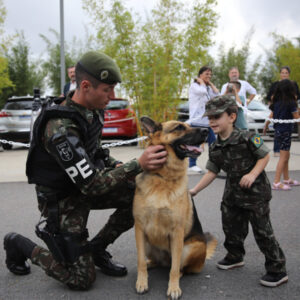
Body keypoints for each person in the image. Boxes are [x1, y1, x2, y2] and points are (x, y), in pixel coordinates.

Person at [3, 51, 167, 290]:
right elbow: (90, 184)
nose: (112, 96)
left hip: (84, 184)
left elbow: (96, 151)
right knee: (81, 279)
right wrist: (137, 164)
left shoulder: (91, 110)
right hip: (63, 199)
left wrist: (116, 166)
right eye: (107, 90)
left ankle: (96, 249)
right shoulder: (59, 128)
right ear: (86, 86)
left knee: (139, 194)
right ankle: (19, 245)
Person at [189, 95, 288, 287]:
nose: (212, 121)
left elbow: (264, 156)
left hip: (255, 194)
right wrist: (194, 190)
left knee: (263, 232)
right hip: (232, 195)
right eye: (209, 118)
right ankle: (235, 256)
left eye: (217, 117)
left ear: (232, 117)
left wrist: (252, 174)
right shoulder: (215, 145)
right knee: (231, 227)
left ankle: (277, 269)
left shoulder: (248, 136)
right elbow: (212, 171)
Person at [264, 79, 300, 190]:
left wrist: (265, 126)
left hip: (278, 131)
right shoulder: (291, 103)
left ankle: (286, 178)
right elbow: (297, 119)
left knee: (286, 155)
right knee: (283, 157)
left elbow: (271, 115)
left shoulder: (277, 103)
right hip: (285, 131)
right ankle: (276, 182)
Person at [186, 66, 219, 173]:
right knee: (195, 144)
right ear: (200, 75)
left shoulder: (207, 88)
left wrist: (211, 84)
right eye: (206, 74)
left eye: (210, 74)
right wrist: (202, 83)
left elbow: (217, 95)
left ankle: (215, 164)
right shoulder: (194, 86)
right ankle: (192, 164)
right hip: (196, 121)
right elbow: (202, 92)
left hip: (207, 121)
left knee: (213, 143)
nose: (209, 76)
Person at [266, 66, 300, 157]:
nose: (284, 74)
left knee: (287, 130)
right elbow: (270, 96)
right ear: (280, 74)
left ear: (289, 74)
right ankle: (277, 150)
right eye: (283, 72)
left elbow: (297, 96)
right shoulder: (275, 84)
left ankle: (285, 150)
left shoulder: (293, 84)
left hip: (289, 107)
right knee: (277, 130)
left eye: (286, 73)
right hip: (278, 107)